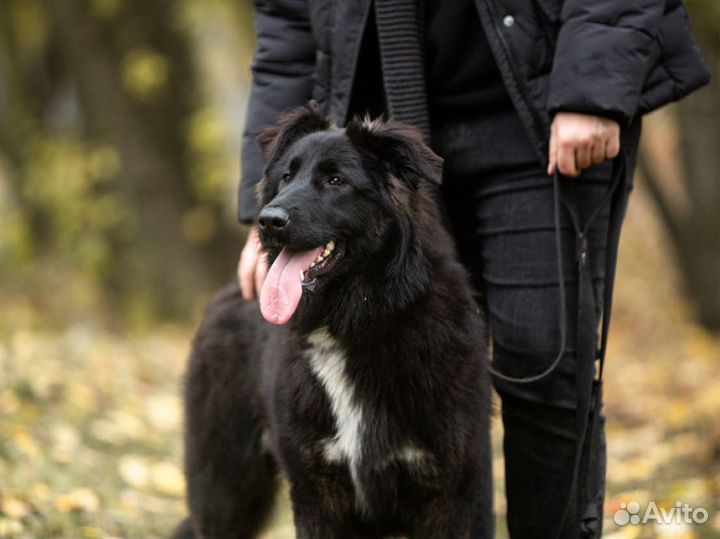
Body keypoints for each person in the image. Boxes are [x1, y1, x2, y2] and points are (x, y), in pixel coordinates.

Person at [236, 1, 709, 537]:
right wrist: (268, 212)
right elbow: (288, 27)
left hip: (539, 116)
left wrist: (593, 86)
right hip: (387, 137)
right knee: (434, 384)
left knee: (544, 361)